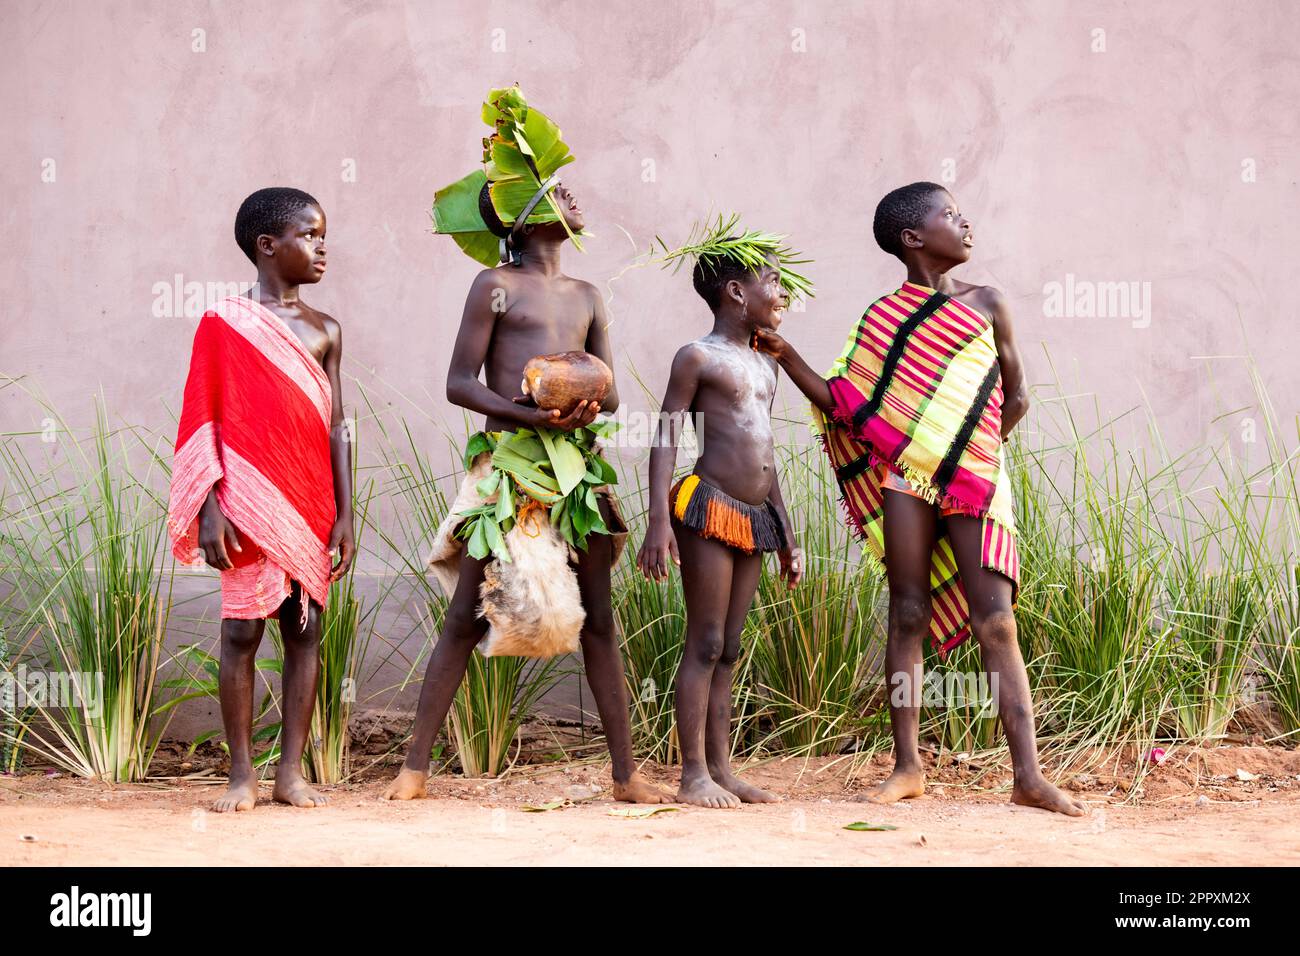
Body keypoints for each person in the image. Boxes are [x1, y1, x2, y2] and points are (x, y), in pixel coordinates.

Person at [752, 183, 1086, 816]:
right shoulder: (881, 319)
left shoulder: (989, 304)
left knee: (998, 621)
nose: (966, 222)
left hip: (976, 481)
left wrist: (967, 454)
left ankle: (1029, 776)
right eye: (950, 215)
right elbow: (845, 400)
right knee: (906, 611)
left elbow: (1015, 398)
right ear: (913, 237)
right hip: (907, 483)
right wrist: (787, 353)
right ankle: (907, 767)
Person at [383, 86, 668, 803]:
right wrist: (531, 419)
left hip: (578, 470)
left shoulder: (588, 294)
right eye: (554, 188)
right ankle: (413, 769)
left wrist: (586, 405)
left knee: (602, 621)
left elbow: (614, 392)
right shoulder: (494, 286)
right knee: (463, 617)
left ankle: (628, 776)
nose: (571, 197)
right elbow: (458, 382)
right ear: (521, 212)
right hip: (509, 467)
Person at [168, 187, 354, 812]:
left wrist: (346, 514)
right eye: (310, 235)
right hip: (244, 502)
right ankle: (241, 773)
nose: (323, 245)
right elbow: (203, 420)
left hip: (310, 503)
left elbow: (336, 424)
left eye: (324, 233)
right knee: (242, 631)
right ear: (267, 246)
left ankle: (292, 773)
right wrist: (208, 507)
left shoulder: (326, 329)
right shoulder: (223, 323)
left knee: (306, 632)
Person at [637, 217, 808, 808]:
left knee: (731, 646)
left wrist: (786, 529)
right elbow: (664, 436)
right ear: (736, 292)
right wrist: (659, 518)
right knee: (705, 641)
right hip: (709, 509)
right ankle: (691, 776)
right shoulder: (697, 357)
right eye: (773, 281)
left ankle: (722, 767)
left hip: (757, 516)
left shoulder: (766, 362)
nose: (783, 292)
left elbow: (765, 452)